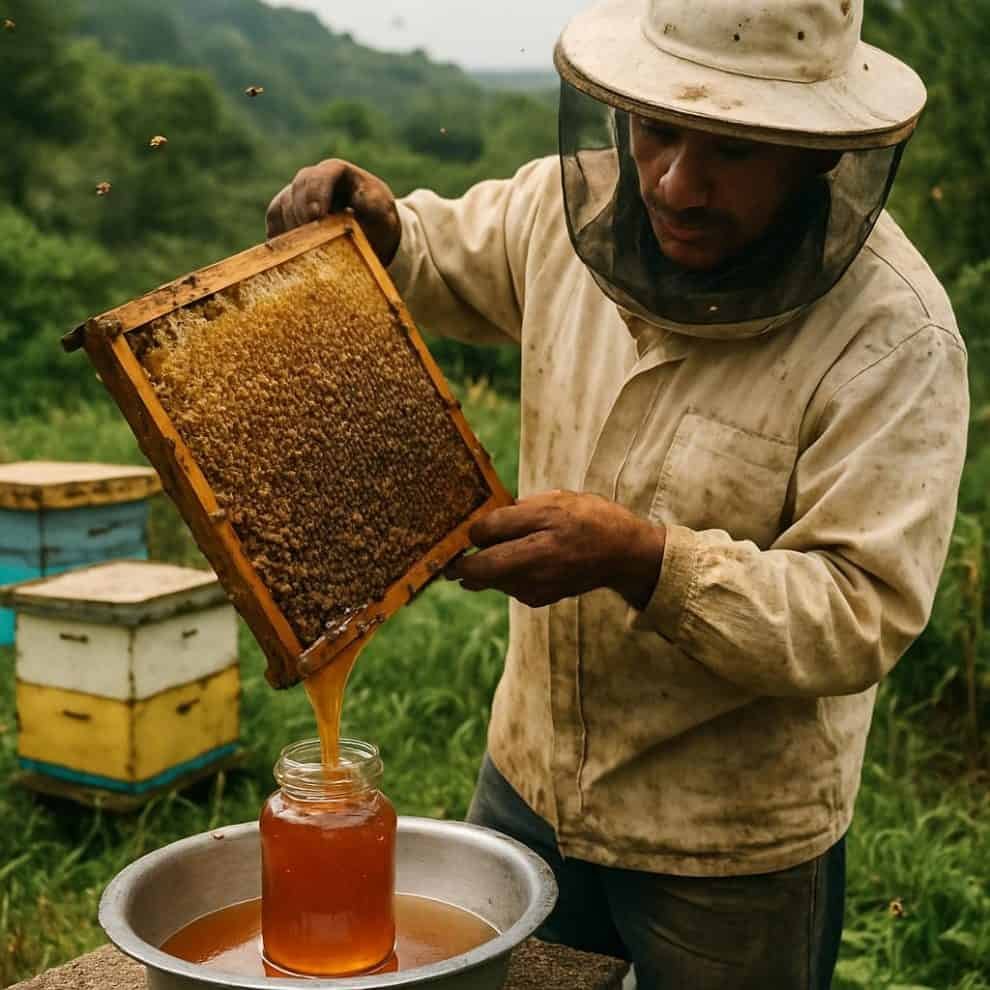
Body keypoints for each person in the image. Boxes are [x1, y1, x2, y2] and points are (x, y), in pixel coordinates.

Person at [266, 1, 969, 986]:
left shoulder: (893, 336)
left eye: (732, 147)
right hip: (527, 782)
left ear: (817, 155)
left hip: (731, 846)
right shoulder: (570, 210)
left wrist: (648, 561)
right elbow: (447, 257)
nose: (678, 182)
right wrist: (386, 233)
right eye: (659, 129)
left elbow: (860, 612)